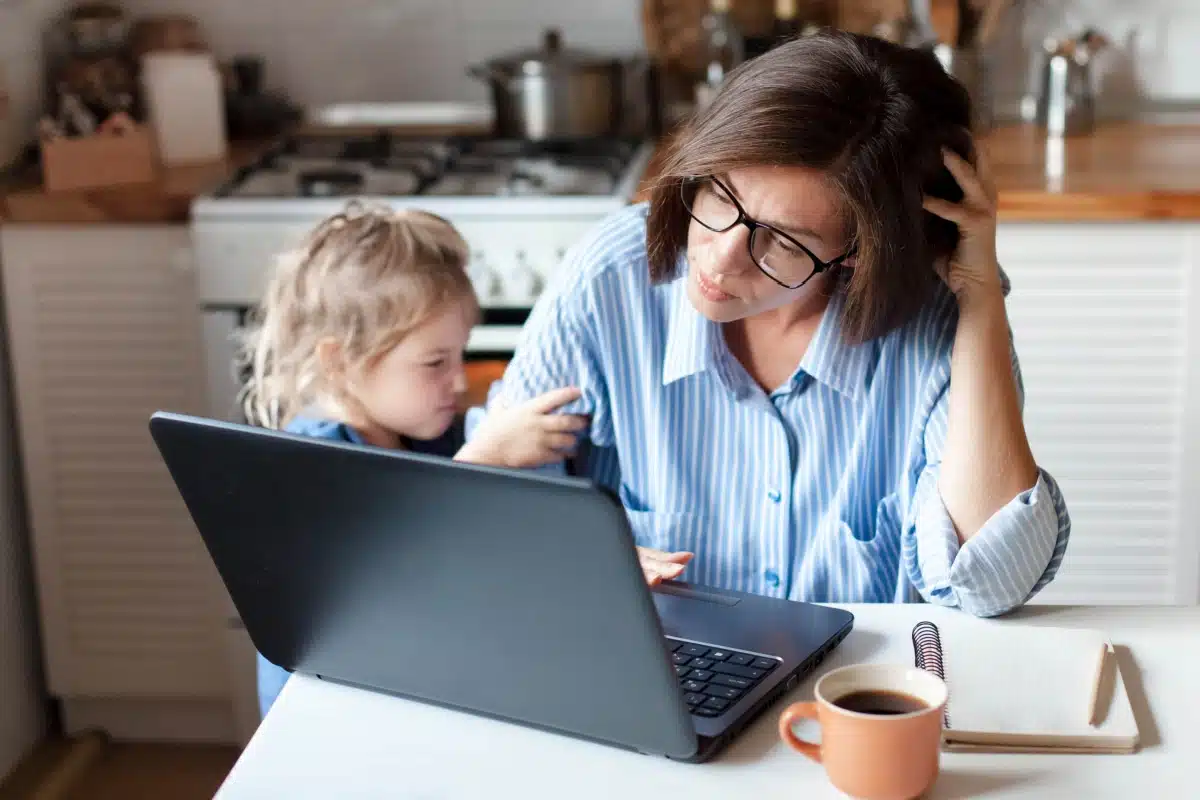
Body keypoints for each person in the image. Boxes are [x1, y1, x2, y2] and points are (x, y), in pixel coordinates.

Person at [469, 30, 1071, 618]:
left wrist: (981, 295)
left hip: (852, 700)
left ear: (858, 254)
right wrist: (582, 557)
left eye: (782, 241)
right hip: (653, 688)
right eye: (721, 194)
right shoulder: (613, 279)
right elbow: (491, 508)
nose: (720, 257)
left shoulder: (938, 322)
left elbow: (992, 584)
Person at [238, 201, 586, 717]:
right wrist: (486, 459)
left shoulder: (422, 433)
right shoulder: (314, 466)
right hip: (325, 729)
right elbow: (399, 583)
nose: (460, 381)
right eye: (434, 362)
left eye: (460, 354)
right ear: (341, 362)